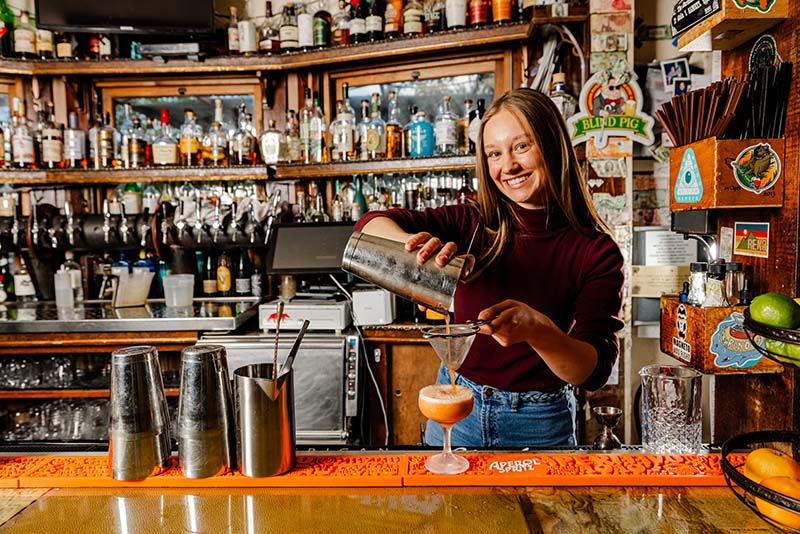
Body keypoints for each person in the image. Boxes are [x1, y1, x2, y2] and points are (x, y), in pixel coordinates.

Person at [353, 87, 624, 448]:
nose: (507, 165)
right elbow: (369, 223)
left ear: (553, 146)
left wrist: (538, 330)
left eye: (521, 147)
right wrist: (417, 251)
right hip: (458, 402)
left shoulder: (595, 251)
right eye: (494, 153)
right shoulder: (471, 222)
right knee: (448, 506)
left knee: (542, 509)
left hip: (540, 419)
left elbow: (592, 371)